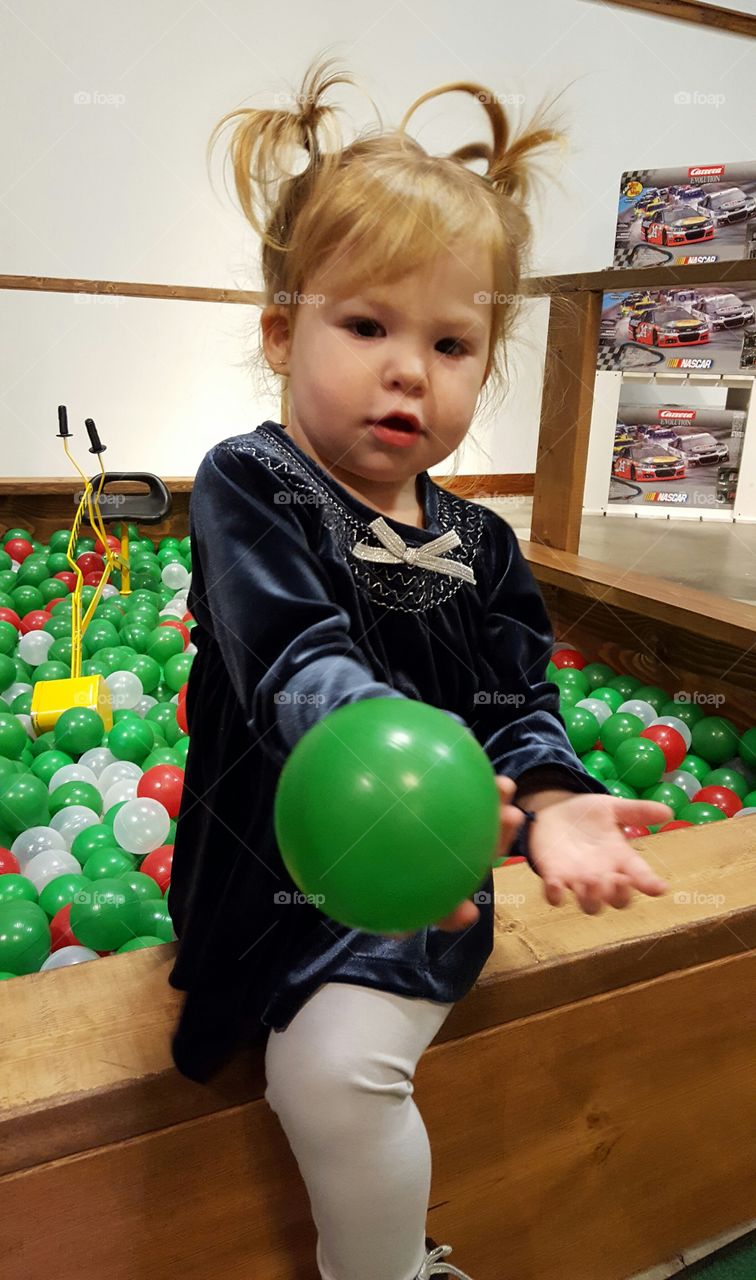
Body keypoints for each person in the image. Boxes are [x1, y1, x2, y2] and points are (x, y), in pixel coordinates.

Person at [167, 53, 672, 1280]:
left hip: (413, 885)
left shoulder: (483, 542)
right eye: (367, 325)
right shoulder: (252, 482)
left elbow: (516, 699)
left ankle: (389, 1268)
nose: (410, 369)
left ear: (483, 364)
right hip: (258, 867)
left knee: (333, 1070)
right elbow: (294, 648)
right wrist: (386, 759)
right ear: (283, 332)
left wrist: (550, 801)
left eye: (452, 342)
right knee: (250, 1023)